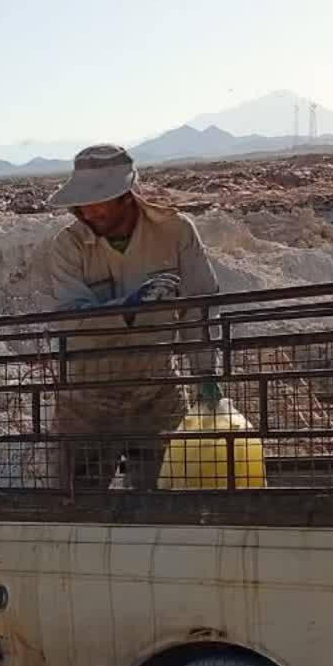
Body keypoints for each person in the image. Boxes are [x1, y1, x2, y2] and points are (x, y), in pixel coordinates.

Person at [42, 144, 220, 489]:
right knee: (75, 501)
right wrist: (127, 309)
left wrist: (205, 373)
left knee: (165, 495)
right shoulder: (69, 245)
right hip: (87, 395)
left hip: (156, 388)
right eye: (82, 203)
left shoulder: (176, 232)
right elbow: (70, 318)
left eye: (98, 202)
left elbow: (199, 306)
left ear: (126, 196)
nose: (87, 212)